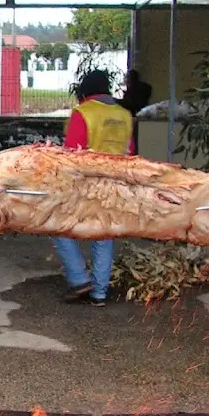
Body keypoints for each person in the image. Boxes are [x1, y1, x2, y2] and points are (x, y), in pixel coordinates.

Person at [54, 70, 134, 307]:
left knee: (59, 226)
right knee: (104, 235)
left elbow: (71, 154)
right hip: (116, 183)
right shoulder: (125, 114)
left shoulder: (84, 113)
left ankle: (79, 279)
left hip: (85, 184)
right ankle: (99, 294)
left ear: (84, 91)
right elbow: (131, 152)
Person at [119, 70, 152, 155]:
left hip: (134, 117)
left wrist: (117, 102)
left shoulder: (134, 90)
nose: (125, 80)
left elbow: (130, 105)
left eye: (127, 78)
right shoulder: (143, 88)